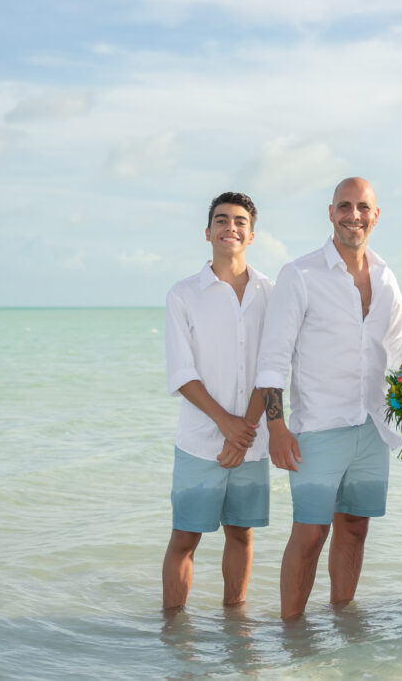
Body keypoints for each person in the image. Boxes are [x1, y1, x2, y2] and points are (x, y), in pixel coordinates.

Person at [251, 177, 402, 620]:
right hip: (317, 429)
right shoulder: (299, 274)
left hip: (374, 428)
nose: (353, 215)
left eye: (362, 207)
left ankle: (343, 622)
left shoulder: (386, 276)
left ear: (376, 215)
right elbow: (272, 359)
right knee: (310, 532)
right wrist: (276, 427)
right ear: (331, 211)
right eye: (344, 206)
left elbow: (398, 352)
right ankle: (291, 630)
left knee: (355, 528)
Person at [162, 192, 274, 611]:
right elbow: (181, 372)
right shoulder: (184, 294)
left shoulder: (272, 292)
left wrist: (242, 431)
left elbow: (272, 366)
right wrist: (226, 425)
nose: (232, 227)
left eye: (240, 221)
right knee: (185, 537)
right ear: (208, 232)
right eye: (222, 220)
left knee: (241, 533)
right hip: (199, 440)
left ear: (252, 234)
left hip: (252, 438)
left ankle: (235, 622)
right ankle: (173, 631)